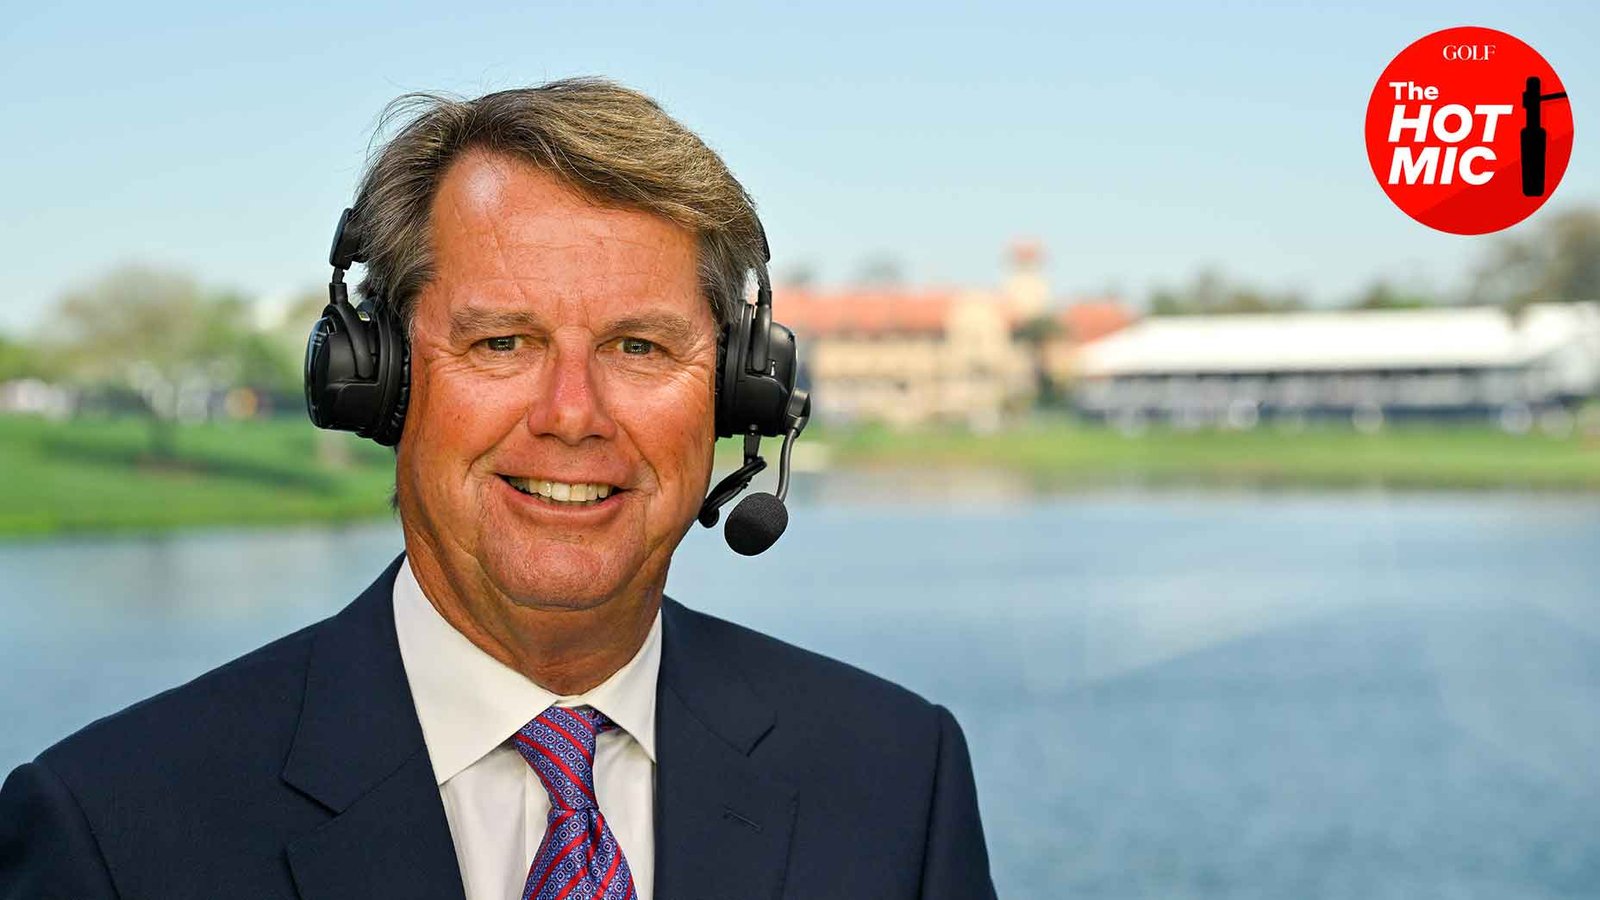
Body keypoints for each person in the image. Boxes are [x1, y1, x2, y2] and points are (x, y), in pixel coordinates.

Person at [0, 78, 996, 900]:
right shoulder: (107, 832)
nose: (572, 413)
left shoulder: (900, 776)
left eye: (639, 346)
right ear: (379, 381)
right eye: (501, 342)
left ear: (740, 394)